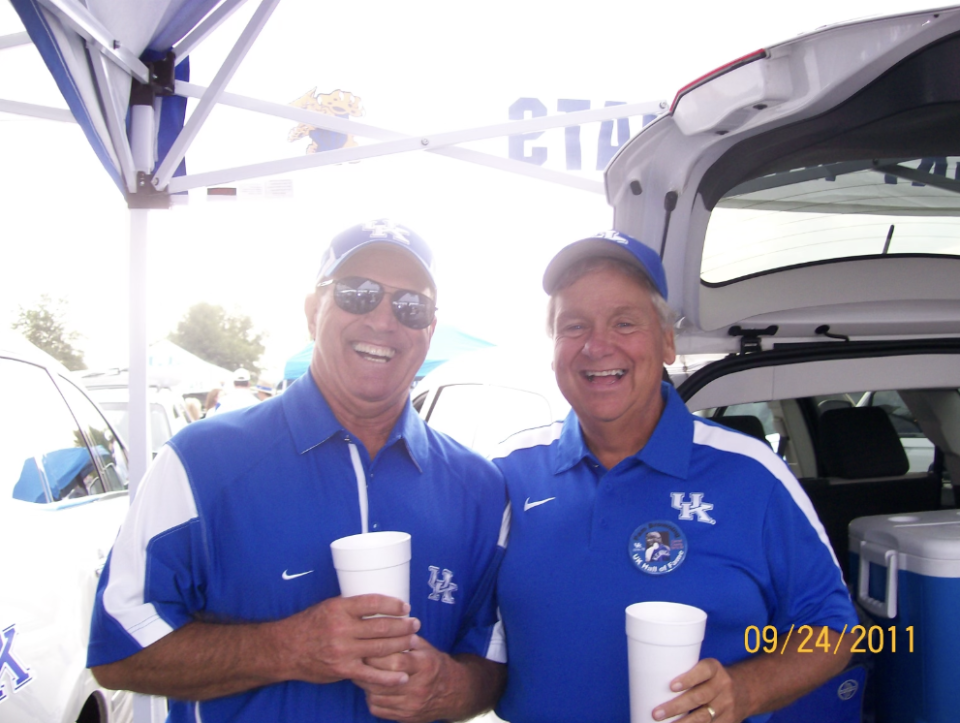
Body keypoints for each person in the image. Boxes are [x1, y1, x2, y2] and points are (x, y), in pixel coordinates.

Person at [87, 219, 507, 723]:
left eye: (410, 305)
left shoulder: (479, 488)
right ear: (313, 312)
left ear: (429, 331)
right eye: (357, 293)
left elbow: (494, 657)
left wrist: (452, 687)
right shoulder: (200, 462)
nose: (384, 320)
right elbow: (118, 648)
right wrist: (290, 648)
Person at [488, 231, 858, 723]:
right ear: (553, 347)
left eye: (624, 322)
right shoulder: (510, 474)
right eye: (573, 326)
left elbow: (835, 630)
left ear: (667, 341)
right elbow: (469, 637)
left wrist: (746, 690)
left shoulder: (753, 474)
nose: (597, 346)